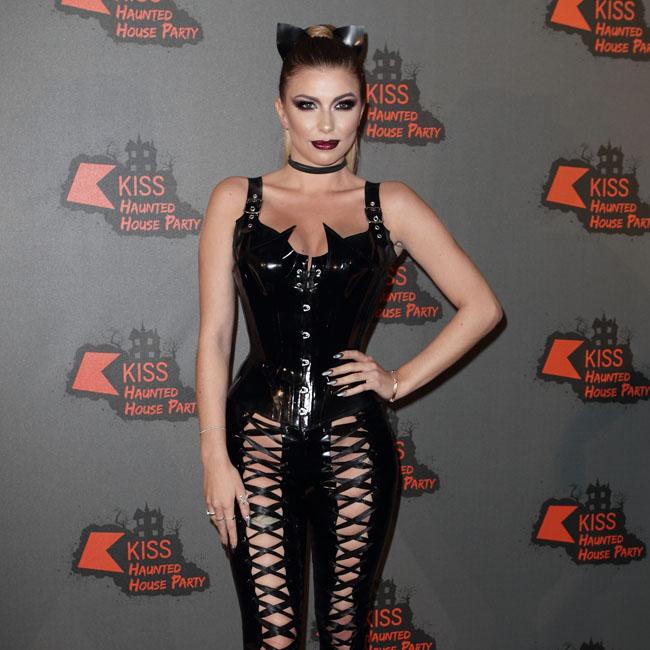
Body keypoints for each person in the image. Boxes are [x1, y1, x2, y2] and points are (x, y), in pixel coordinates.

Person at [195, 22, 503, 650]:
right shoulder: (235, 199)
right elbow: (215, 336)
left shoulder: (392, 204)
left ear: (365, 108)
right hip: (255, 444)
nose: (325, 123)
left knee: (344, 635)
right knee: (271, 640)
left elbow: (482, 308)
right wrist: (212, 457)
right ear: (280, 109)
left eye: (343, 104)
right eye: (307, 104)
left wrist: (397, 381)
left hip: (355, 449)